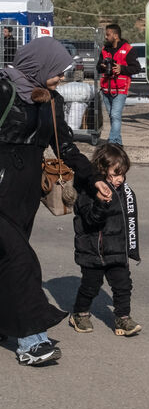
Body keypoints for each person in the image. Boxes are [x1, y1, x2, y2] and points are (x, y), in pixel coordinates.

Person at [0, 37, 111, 366]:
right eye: (58, 71)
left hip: (25, 193)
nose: (64, 76)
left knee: (6, 260)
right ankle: (32, 340)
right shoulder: (4, 91)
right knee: (22, 262)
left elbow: (66, 147)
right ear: (38, 66)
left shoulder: (52, 100)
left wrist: (94, 179)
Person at [70, 143, 142, 336]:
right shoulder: (88, 190)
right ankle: (80, 313)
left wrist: (129, 248)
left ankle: (123, 318)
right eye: (115, 174)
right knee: (90, 285)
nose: (119, 179)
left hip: (117, 249)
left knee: (123, 284)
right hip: (93, 250)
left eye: (122, 174)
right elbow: (91, 220)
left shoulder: (123, 192)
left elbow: (128, 222)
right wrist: (101, 204)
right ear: (102, 170)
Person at [96, 24, 141, 145]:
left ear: (116, 36)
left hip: (120, 89)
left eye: (108, 34)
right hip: (106, 89)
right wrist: (102, 66)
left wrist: (122, 68)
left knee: (115, 115)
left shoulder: (128, 49)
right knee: (112, 116)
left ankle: (112, 142)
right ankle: (118, 141)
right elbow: (98, 67)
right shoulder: (105, 50)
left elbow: (136, 68)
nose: (106, 37)